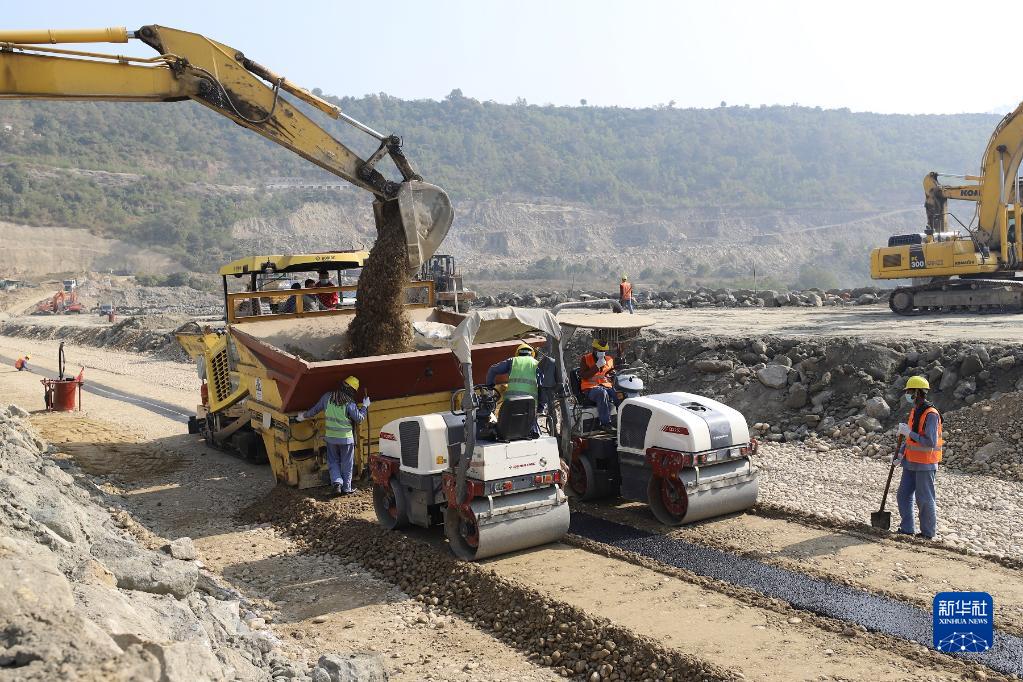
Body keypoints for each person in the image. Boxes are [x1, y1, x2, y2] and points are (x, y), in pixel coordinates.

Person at [297, 376, 370, 495]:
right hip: (346, 439)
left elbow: (314, 410)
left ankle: (337, 482)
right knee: (347, 464)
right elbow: (359, 418)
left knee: (333, 462)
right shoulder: (349, 403)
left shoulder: (327, 397)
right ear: (352, 391)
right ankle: (346, 488)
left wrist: (302, 416)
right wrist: (365, 406)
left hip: (331, 438)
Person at [895, 375, 942, 540]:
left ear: (917, 392)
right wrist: (901, 453)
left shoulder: (931, 414)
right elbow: (911, 439)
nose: (907, 394)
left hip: (925, 463)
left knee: (924, 499)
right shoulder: (915, 411)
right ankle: (907, 528)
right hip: (910, 461)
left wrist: (909, 433)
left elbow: (930, 442)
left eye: (909, 391)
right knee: (903, 495)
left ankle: (928, 534)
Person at [579, 339, 617, 428]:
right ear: (594, 349)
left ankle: (623, 419)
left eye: (604, 351)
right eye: (600, 350)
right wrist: (596, 366)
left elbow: (611, 374)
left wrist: (611, 376)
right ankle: (605, 424)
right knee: (601, 393)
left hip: (606, 386)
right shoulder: (585, 359)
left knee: (619, 394)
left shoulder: (609, 359)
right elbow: (583, 375)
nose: (602, 352)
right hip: (590, 388)